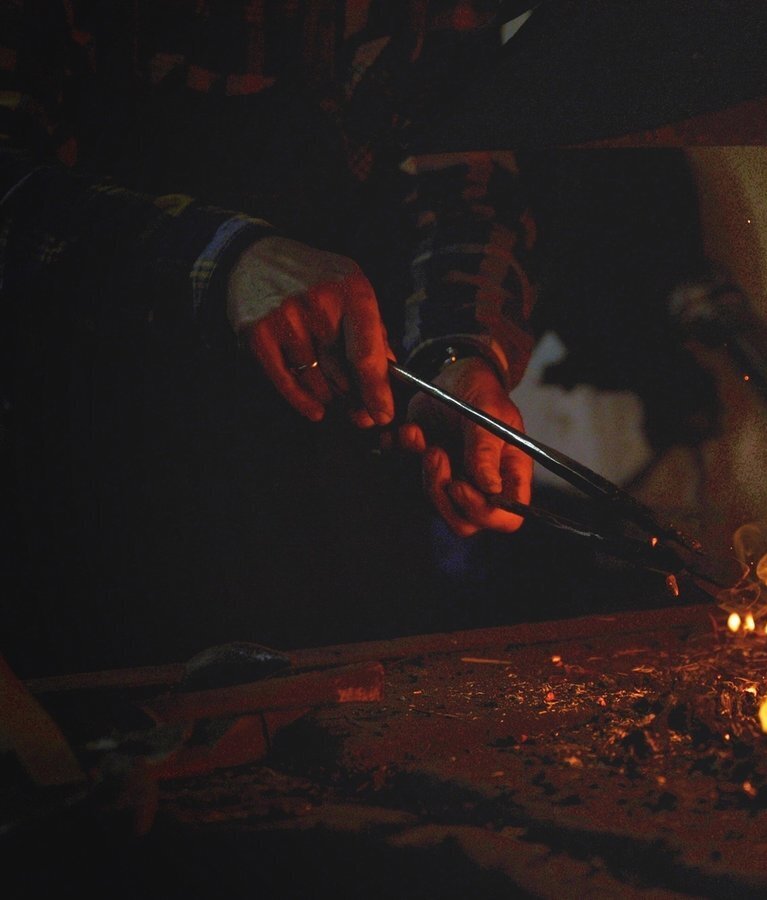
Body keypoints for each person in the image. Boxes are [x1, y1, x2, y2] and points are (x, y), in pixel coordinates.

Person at [0, 1, 541, 674]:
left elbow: (467, 188)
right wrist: (220, 259)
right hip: (76, 493)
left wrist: (456, 355)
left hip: (330, 498)